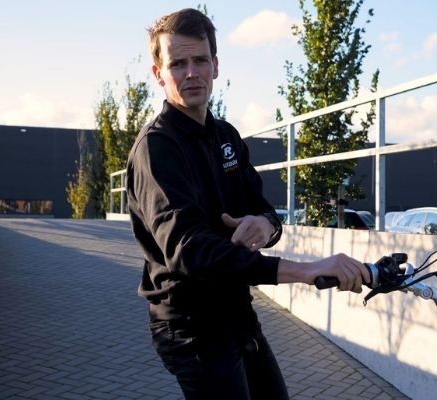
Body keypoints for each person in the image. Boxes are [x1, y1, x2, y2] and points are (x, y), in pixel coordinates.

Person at [126, 8, 370, 400]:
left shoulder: (226, 136)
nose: (191, 73)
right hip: (190, 326)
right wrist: (305, 270)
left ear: (216, 65)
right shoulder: (157, 148)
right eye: (178, 63)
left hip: (236, 312)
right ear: (159, 73)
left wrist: (264, 224)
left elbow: (268, 212)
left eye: (200, 60)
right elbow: (190, 251)